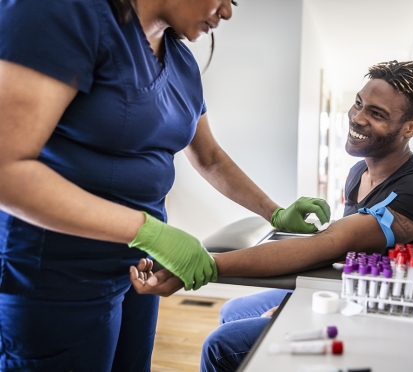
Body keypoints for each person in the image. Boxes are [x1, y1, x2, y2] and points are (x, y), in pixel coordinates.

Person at [0, 0, 330, 371]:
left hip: (139, 266)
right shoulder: (63, 12)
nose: (228, 12)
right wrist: (148, 231)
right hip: (59, 269)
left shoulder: (182, 63)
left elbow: (209, 157)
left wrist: (276, 212)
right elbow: (7, 170)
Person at [131, 60, 413, 372]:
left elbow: (331, 244)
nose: (357, 117)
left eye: (377, 113)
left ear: (412, 127)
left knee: (221, 346)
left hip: (378, 315)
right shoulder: (359, 172)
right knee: (231, 310)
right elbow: (341, 255)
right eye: (358, 103)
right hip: (343, 287)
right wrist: (291, 295)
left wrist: (206, 264)